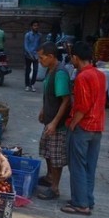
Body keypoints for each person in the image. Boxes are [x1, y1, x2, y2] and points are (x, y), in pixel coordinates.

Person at [61, 42, 106, 216]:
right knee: (89, 165)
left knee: (77, 165)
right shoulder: (100, 75)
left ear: (76, 58)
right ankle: (87, 199)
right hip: (97, 127)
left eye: (72, 57)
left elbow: (83, 106)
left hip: (83, 126)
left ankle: (80, 203)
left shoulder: (82, 77)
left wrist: (73, 124)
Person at [35, 42, 71, 200]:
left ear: (51, 56)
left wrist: (55, 122)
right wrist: (44, 109)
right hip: (49, 119)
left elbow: (66, 100)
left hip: (58, 124)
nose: (39, 61)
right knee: (47, 150)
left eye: (41, 58)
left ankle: (55, 187)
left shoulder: (60, 73)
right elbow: (49, 94)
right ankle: (49, 177)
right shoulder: (50, 70)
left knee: (56, 156)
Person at [23, 20, 41, 92]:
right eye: (34, 25)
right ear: (31, 27)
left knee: (35, 70)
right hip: (28, 55)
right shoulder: (27, 35)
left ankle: (32, 84)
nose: (36, 27)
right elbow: (25, 46)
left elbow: (39, 45)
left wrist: (39, 54)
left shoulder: (39, 35)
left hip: (36, 55)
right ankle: (27, 85)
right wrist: (30, 54)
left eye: (37, 26)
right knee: (28, 70)